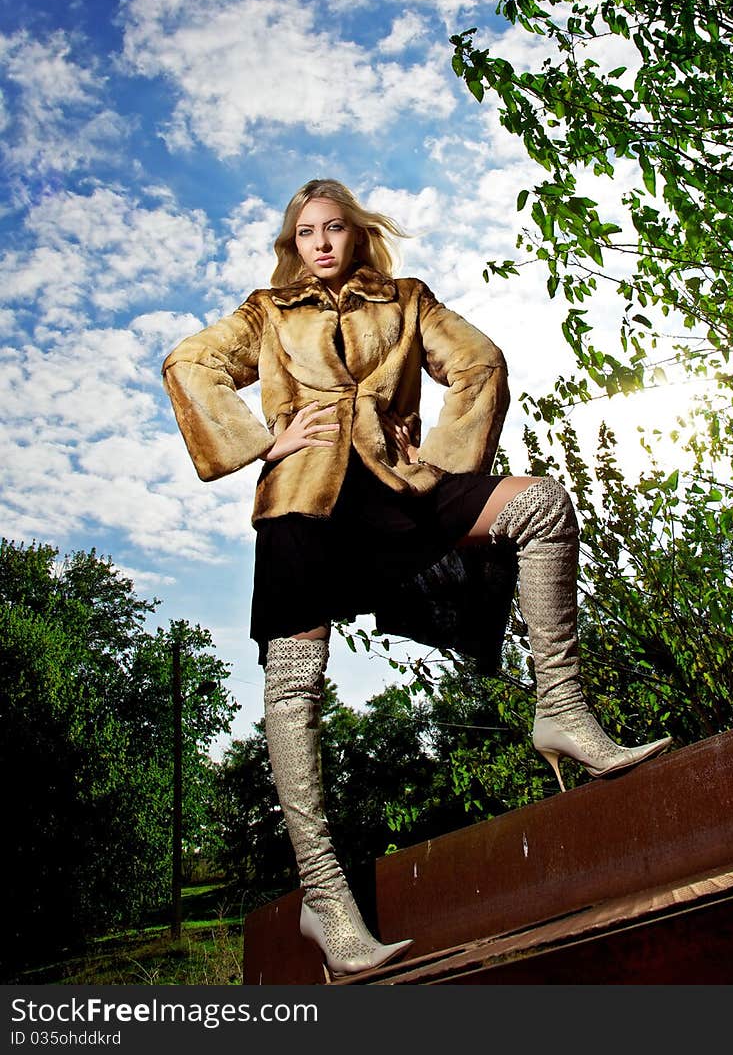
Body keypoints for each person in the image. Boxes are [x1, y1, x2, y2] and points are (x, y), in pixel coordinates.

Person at [162, 178, 672, 979]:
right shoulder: (266, 312)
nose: (322, 243)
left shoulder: (406, 300)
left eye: (335, 228)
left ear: (358, 235)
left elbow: (481, 363)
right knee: (295, 686)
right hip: (303, 506)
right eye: (307, 234)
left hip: (397, 488)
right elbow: (189, 364)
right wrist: (264, 443)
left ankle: (563, 711)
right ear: (293, 246)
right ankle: (325, 901)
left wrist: (436, 462)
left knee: (541, 505)